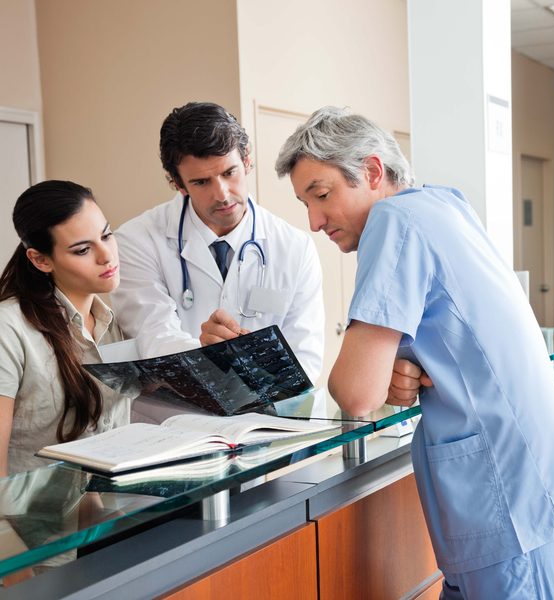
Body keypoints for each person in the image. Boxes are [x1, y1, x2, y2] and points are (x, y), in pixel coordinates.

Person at [275, 107, 554, 600]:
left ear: (371, 171)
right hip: (532, 507)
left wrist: (383, 371)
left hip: (518, 520)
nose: (315, 221)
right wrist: (404, 365)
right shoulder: (443, 204)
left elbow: (355, 392)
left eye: (322, 196)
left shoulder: (392, 220)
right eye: (305, 203)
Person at [111, 102, 324, 382]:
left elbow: (305, 359)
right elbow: (153, 340)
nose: (222, 194)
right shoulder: (136, 242)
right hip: (173, 420)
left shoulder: (295, 247)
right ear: (178, 183)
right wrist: (206, 353)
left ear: (246, 159)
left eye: (229, 173)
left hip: (264, 419)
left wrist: (257, 368)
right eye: (201, 182)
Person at [0, 181, 130, 479]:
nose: (106, 256)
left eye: (107, 235)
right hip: (37, 521)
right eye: (83, 249)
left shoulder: (115, 323)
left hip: (114, 513)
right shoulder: (8, 329)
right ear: (40, 260)